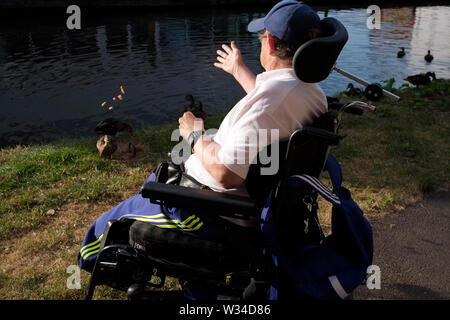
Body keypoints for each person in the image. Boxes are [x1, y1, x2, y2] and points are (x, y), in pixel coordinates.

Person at [79, 0, 327, 271]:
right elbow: (269, 105)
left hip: (207, 209)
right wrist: (238, 70)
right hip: (246, 202)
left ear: (270, 44)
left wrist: (194, 136)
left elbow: (225, 173)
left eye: (262, 37)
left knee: (108, 226)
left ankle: (92, 262)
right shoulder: (309, 91)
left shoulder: (271, 101)